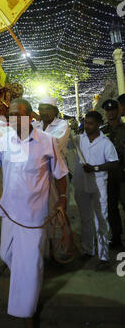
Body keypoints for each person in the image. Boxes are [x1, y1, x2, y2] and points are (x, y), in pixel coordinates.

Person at [0, 98, 68, 328]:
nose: (14, 119)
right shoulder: (6, 139)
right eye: (11, 115)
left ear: (30, 116)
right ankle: (26, 295)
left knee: (29, 267)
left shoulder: (46, 141)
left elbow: (60, 174)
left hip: (34, 217)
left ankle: (28, 318)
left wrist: (61, 200)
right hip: (8, 214)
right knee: (8, 256)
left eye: (18, 114)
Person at [72, 111, 119, 270]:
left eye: (91, 123)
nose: (87, 125)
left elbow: (114, 163)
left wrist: (96, 168)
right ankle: (88, 250)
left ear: (98, 124)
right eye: (86, 122)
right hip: (81, 185)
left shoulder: (106, 143)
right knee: (85, 219)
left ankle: (104, 257)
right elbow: (61, 143)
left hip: (98, 186)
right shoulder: (78, 139)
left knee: (101, 220)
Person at [32, 96, 71, 258]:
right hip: (37, 173)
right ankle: (44, 251)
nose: (42, 112)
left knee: (56, 209)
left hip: (56, 173)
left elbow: (54, 143)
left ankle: (59, 249)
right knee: (40, 212)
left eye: (46, 108)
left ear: (54, 111)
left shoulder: (62, 125)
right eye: (40, 108)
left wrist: (32, 140)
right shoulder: (35, 125)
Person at [101, 99, 125, 249]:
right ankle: (116, 237)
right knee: (111, 208)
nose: (110, 113)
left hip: (123, 175)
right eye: (108, 111)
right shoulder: (102, 131)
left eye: (113, 110)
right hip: (108, 176)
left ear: (118, 111)